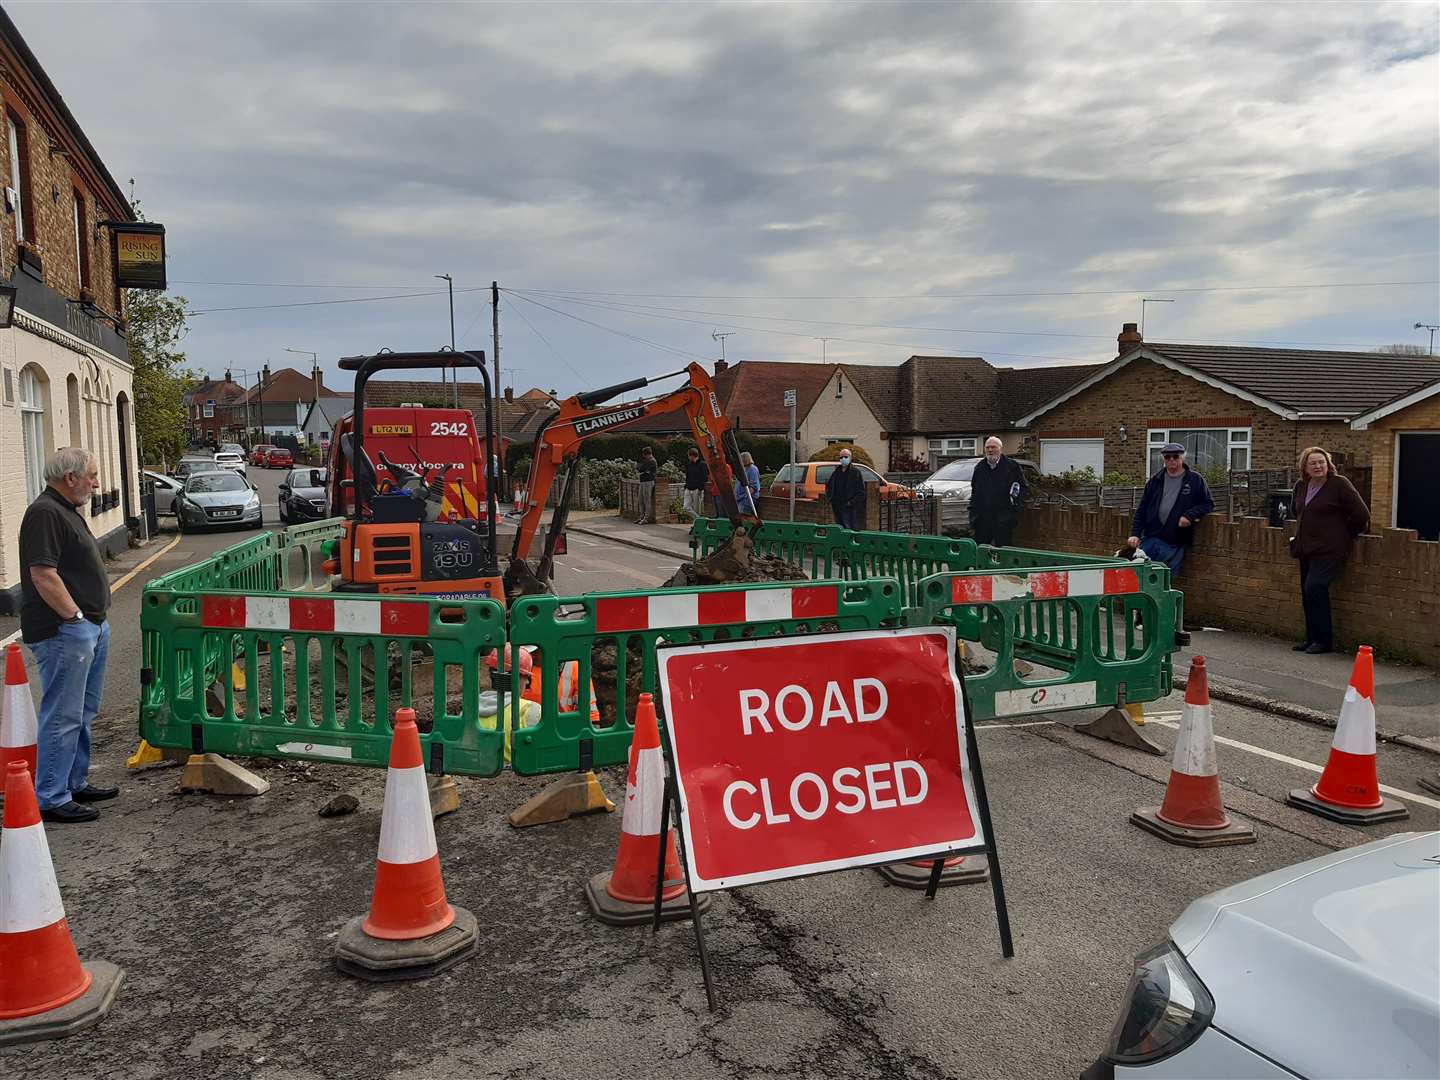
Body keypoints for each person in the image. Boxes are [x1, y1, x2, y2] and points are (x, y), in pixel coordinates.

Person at [19, 448, 117, 823]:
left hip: (88, 625)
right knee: (63, 713)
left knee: (82, 710)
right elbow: (43, 574)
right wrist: (75, 618)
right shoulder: (45, 512)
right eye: (91, 475)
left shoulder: (64, 510)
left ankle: (73, 781)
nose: (95, 483)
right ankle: (51, 795)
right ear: (70, 477)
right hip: (65, 630)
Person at [1288, 446, 1369, 655]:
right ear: (1305, 467)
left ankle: (1324, 641)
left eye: (1321, 462)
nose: (1318, 466)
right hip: (1306, 548)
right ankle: (1311, 638)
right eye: (1313, 463)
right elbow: (1295, 511)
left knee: (1315, 587)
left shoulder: (1339, 484)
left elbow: (1361, 514)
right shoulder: (1301, 485)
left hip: (1330, 549)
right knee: (1307, 593)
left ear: (1328, 464)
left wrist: (1344, 535)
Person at [1126, 443, 1214, 578]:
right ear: (1164, 459)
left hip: (1174, 542)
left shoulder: (1195, 480)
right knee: (1137, 576)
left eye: (1175, 456)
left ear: (1182, 458)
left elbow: (1207, 504)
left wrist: (1189, 515)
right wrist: (1135, 534)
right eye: (1167, 457)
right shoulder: (1155, 481)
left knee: (1164, 581)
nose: (1171, 460)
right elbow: (1142, 509)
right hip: (1150, 538)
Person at [969, 436, 1027, 546]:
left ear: (1000, 449)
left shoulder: (1012, 466)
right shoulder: (979, 468)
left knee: (1003, 551)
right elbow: (975, 492)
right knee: (981, 551)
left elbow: (1023, 488)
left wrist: (1015, 509)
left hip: (1004, 519)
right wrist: (973, 516)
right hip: (982, 519)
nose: (990, 450)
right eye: (987, 447)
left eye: (993, 447)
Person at [824, 449, 867, 530]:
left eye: (845, 457)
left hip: (848, 507)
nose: (843, 459)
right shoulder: (837, 471)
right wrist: (831, 498)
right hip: (837, 505)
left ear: (850, 458)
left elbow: (861, 492)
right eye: (841, 457)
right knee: (840, 528)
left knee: (849, 528)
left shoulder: (855, 472)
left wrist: (850, 503)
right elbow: (830, 486)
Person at [682, 447, 708, 518]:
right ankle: (699, 519)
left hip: (697, 489)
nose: (688, 457)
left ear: (692, 456)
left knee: (696, 509)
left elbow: (704, 478)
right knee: (685, 507)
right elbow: (687, 476)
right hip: (688, 488)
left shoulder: (702, 465)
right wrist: (686, 486)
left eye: (689, 456)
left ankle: (696, 525)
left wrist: (700, 489)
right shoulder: (688, 464)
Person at [636, 447, 657, 524]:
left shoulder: (652, 461)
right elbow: (638, 468)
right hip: (642, 481)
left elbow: (642, 468)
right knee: (640, 500)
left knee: (646, 500)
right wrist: (643, 470)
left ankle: (646, 518)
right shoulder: (646, 460)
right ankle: (641, 516)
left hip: (648, 482)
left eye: (644, 455)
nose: (644, 457)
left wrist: (643, 470)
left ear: (647, 454)